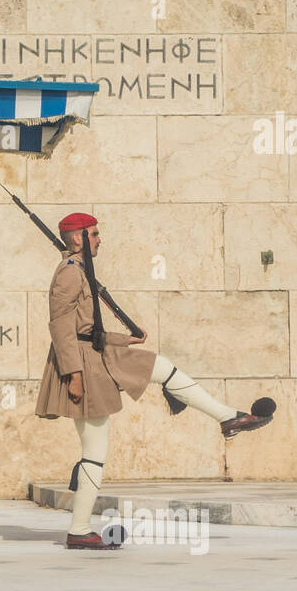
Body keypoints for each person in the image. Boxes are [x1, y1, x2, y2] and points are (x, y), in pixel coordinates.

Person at [36, 212, 275, 549]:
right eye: (94, 234)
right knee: (99, 445)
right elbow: (62, 328)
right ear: (77, 238)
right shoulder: (69, 274)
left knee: (154, 376)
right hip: (83, 364)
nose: (99, 239)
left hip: (96, 354)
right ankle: (79, 530)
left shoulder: (80, 271)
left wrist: (124, 339)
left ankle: (227, 417)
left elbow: (87, 326)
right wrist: (73, 375)